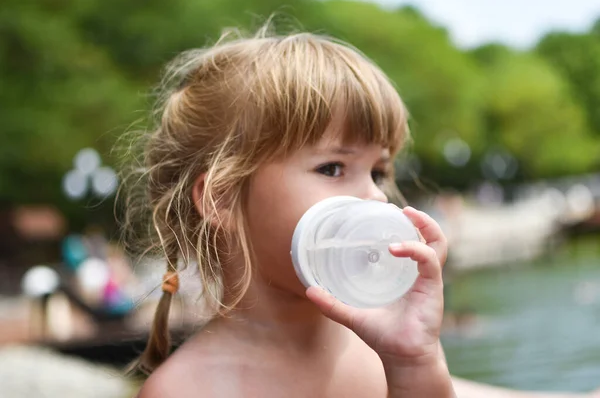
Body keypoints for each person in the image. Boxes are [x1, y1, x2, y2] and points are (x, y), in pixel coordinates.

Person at [126, 25, 597, 397]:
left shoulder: (382, 352)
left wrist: (417, 365)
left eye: (378, 171)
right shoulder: (189, 389)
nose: (375, 197)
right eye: (333, 167)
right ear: (222, 197)